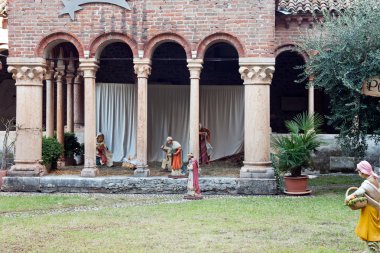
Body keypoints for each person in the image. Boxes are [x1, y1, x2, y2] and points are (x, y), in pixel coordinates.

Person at [345, 161, 380, 252]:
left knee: (370, 230)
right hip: (375, 208)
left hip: (370, 210)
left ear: (363, 172)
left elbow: (358, 193)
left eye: (359, 171)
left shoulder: (367, 183)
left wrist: (349, 197)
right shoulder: (375, 178)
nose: (358, 173)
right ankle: (370, 248)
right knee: (372, 228)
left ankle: (373, 249)